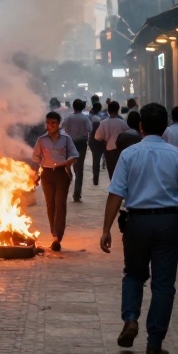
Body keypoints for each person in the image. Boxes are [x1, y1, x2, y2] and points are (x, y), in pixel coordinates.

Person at [100, 103, 178, 354]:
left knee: (133, 274)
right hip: (168, 223)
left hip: (136, 223)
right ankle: (154, 345)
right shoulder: (177, 156)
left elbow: (116, 193)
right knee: (163, 285)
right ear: (165, 128)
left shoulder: (129, 154)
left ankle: (131, 318)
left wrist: (106, 229)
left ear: (140, 127)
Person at [32, 111, 79, 252]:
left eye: (53, 123)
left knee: (60, 204)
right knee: (50, 205)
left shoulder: (66, 139)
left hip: (62, 174)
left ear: (59, 124)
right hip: (46, 174)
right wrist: (35, 175)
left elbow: (75, 154)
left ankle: (58, 237)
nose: (50, 126)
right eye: (48, 123)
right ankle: (54, 234)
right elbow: (36, 158)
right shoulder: (41, 140)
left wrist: (66, 163)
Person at [62, 99, 94, 201]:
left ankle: (64, 190)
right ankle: (76, 194)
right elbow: (90, 129)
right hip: (81, 144)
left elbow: (63, 130)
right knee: (79, 170)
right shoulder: (85, 119)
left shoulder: (67, 118)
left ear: (73, 106)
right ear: (82, 107)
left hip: (69, 143)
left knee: (67, 166)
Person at [95, 100, 129, 181]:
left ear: (108, 110)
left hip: (109, 150)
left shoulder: (103, 123)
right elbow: (128, 134)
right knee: (121, 173)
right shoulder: (123, 123)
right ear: (118, 110)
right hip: (121, 151)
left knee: (111, 173)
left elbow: (97, 136)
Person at [89, 97, 107, 187]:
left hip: (92, 140)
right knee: (102, 157)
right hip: (102, 141)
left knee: (95, 159)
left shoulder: (90, 117)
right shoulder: (104, 117)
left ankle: (95, 178)